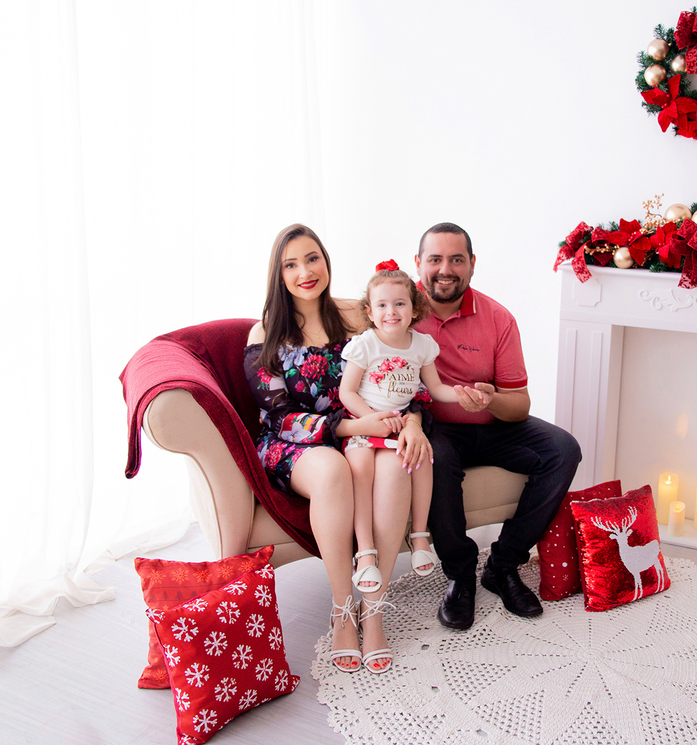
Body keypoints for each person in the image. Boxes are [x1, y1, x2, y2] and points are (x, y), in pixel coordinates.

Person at [245, 225, 432, 674]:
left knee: (395, 469)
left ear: (326, 261)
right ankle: (343, 609)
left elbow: (405, 376)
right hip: (297, 442)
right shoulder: (265, 331)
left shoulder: (355, 317)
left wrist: (414, 423)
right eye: (291, 264)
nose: (305, 271)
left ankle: (375, 607)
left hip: (366, 432)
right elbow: (277, 412)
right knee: (331, 470)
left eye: (313, 258)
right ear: (279, 275)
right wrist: (350, 425)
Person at [412, 223, 582, 630]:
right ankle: (460, 574)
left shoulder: (497, 317)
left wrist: (491, 399)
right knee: (436, 459)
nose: (445, 269)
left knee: (563, 449)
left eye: (456, 259)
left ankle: (503, 566)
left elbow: (520, 405)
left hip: (494, 425)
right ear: (418, 264)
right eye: (435, 259)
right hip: (438, 429)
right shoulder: (403, 311)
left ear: (472, 264)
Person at [338, 260, 464, 591]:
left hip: (401, 424)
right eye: (381, 304)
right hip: (364, 421)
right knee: (360, 468)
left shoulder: (421, 345)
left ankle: (419, 537)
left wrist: (462, 394)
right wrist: (369, 420)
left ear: (414, 308)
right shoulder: (366, 344)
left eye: (399, 303)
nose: (390, 312)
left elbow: (435, 389)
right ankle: (365, 553)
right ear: (369, 310)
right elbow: (346, 392)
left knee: (421, 459)